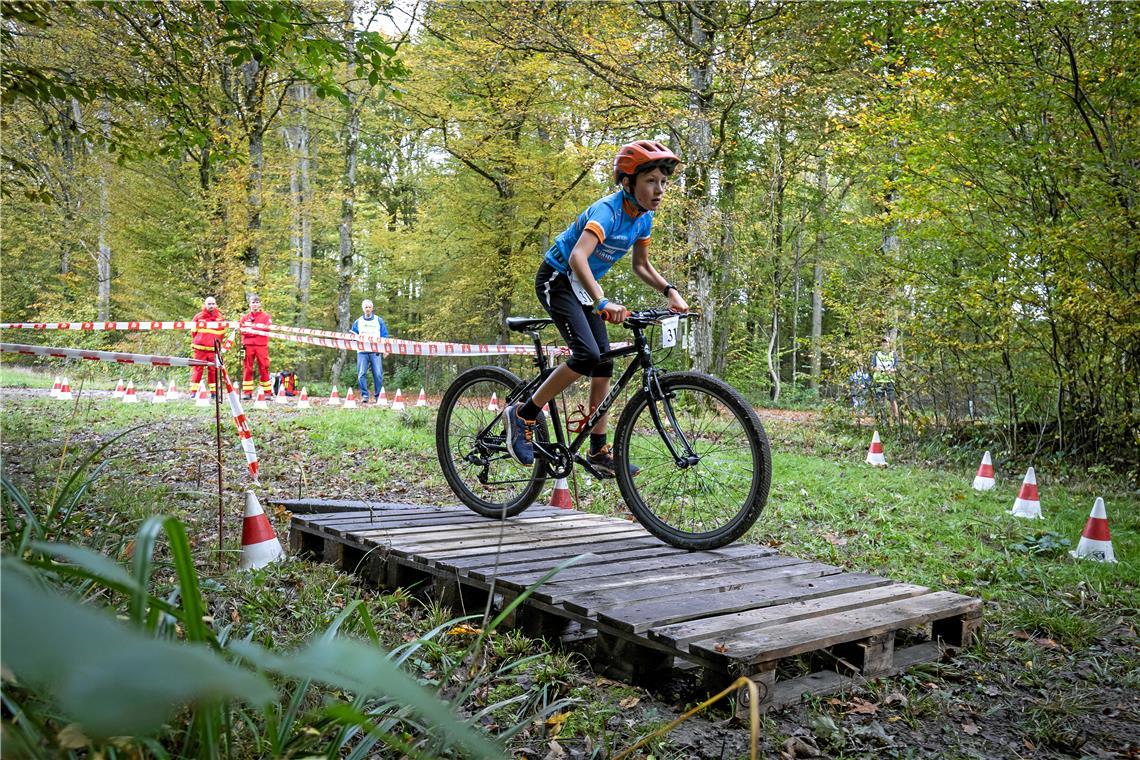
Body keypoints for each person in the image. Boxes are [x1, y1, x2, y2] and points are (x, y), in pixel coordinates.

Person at [504, 140, 688, 477]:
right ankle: (524, 413)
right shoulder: (608, 210)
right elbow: (577, 257)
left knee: (603, 364)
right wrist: (602, 300)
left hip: (584, 286)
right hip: (558, 278)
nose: (659, 190)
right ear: (628, 183)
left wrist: (670, 292)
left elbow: (642, 266)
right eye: (651, 181)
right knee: (586, 355)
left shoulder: (643, 218)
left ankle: (598, 450)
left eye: (663, 182)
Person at [350, 299, 388, 402]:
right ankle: (365, 396)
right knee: (361, 374)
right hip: (362, 351)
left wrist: (385, 350)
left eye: (369, 307)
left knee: (378, 374)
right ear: (363, 308)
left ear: (372, 308)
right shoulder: (358, 321)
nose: (367, 309)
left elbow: (384, 336)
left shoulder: (379, 320)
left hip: (376, 351)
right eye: (366, 307)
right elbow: (352, 336)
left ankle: (378, 396)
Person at [189, 296, 224, 397]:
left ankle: (214, 393)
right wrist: (199, 341)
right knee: (197, 369)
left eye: (213, 304)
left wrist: (217, 345)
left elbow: (222, 333)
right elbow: (193, 331)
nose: (211, 306)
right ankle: (193, 392)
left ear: (216, 305)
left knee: (213, 370)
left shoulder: (220, 318)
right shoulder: (199, 317)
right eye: (209, 304)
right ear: (205, 305)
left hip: (213, 349)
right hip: (200, 349)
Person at [238, 294, 272, 400]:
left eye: (257, 302)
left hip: (261, 346)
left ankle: (267, 392)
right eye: (253, 302)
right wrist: (255, 332)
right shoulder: (245, 318)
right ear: (249, 304)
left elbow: (266, 330)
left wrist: (251, 331)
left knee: (264, 367)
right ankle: (247, 392)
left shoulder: (266, 317)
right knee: (247, 368)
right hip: (248, 346)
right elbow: (242, 330)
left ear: (260, 304)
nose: (255, 304)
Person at [871, 337, 901, 420]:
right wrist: (876, 369)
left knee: (892, 399)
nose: (884, 344)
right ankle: (881, 418)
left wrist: (891, 370)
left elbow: (897, 367)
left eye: (886, 342)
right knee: (879, 400)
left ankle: (896, 418)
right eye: (883, 342)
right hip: (878, 380)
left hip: (889, 379)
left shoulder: (893, 354)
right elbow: (872, 366)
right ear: (881, 344)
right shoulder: (876, 354)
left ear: (889, 344)